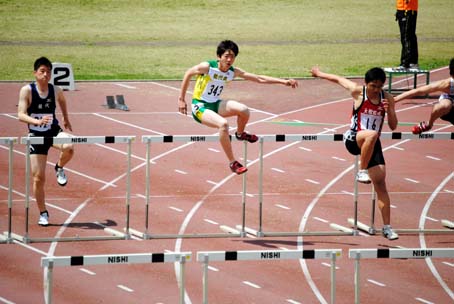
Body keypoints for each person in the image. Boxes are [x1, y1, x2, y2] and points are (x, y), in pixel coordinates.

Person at [178, 40, 298, 174]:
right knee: (223, 124)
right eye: (226, 56)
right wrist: (181, 99)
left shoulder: (232, 72)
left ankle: (240, 134)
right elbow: (188, 73)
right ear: (219, 57)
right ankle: (232, 162)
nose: (229, 59)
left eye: (232, 56)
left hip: (215, 104)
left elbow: (258, 78)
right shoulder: (207, 67)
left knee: (244, 110)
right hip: (199, 107)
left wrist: (283, 82)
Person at [311, 66, 399, 240]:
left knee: (381, 184)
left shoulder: (387, 98)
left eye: (379, 86)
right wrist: (320, 74)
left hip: (372, 143)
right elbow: (338, 79)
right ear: (366, 84)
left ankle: (387, 227)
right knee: (372, 134)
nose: (375, 90)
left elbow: (394, 126)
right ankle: (361, 170)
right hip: (353, 139)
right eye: (373, 86)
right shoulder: (359, 92)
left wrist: (389, 110)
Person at [17, 56, 74, 226]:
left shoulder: (55, 89)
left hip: (53, 132)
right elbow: (20, 114)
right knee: (38, 178)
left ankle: (59, 167)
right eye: (42, 71)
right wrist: (36, 122)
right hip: (36, 136)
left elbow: (62, 100)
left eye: (48, 72)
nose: (46, 75)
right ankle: (43, 212)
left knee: (69, 146)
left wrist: (65, 118)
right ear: (35, 73)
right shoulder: (26, 90)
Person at [395, 58, 454, 134]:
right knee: (443, 106)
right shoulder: (447, 84)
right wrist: (396, 99)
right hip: (450, 109)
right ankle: (429, 124)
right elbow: (418, 91)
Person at [395, 0, 419, 70]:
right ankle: (413, 62)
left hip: (407, 9)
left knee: (406, 37)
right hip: (404, 9)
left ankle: (405, 63)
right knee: (410, 36)